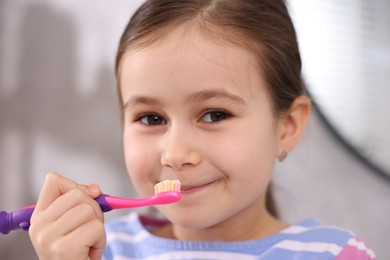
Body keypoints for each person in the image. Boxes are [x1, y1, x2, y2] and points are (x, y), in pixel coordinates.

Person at [28, 0, 376, 259]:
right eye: (151, 118)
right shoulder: (98, 250)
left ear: (286, 127)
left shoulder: (335, 254)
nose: (176, 154)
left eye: (214, 115)